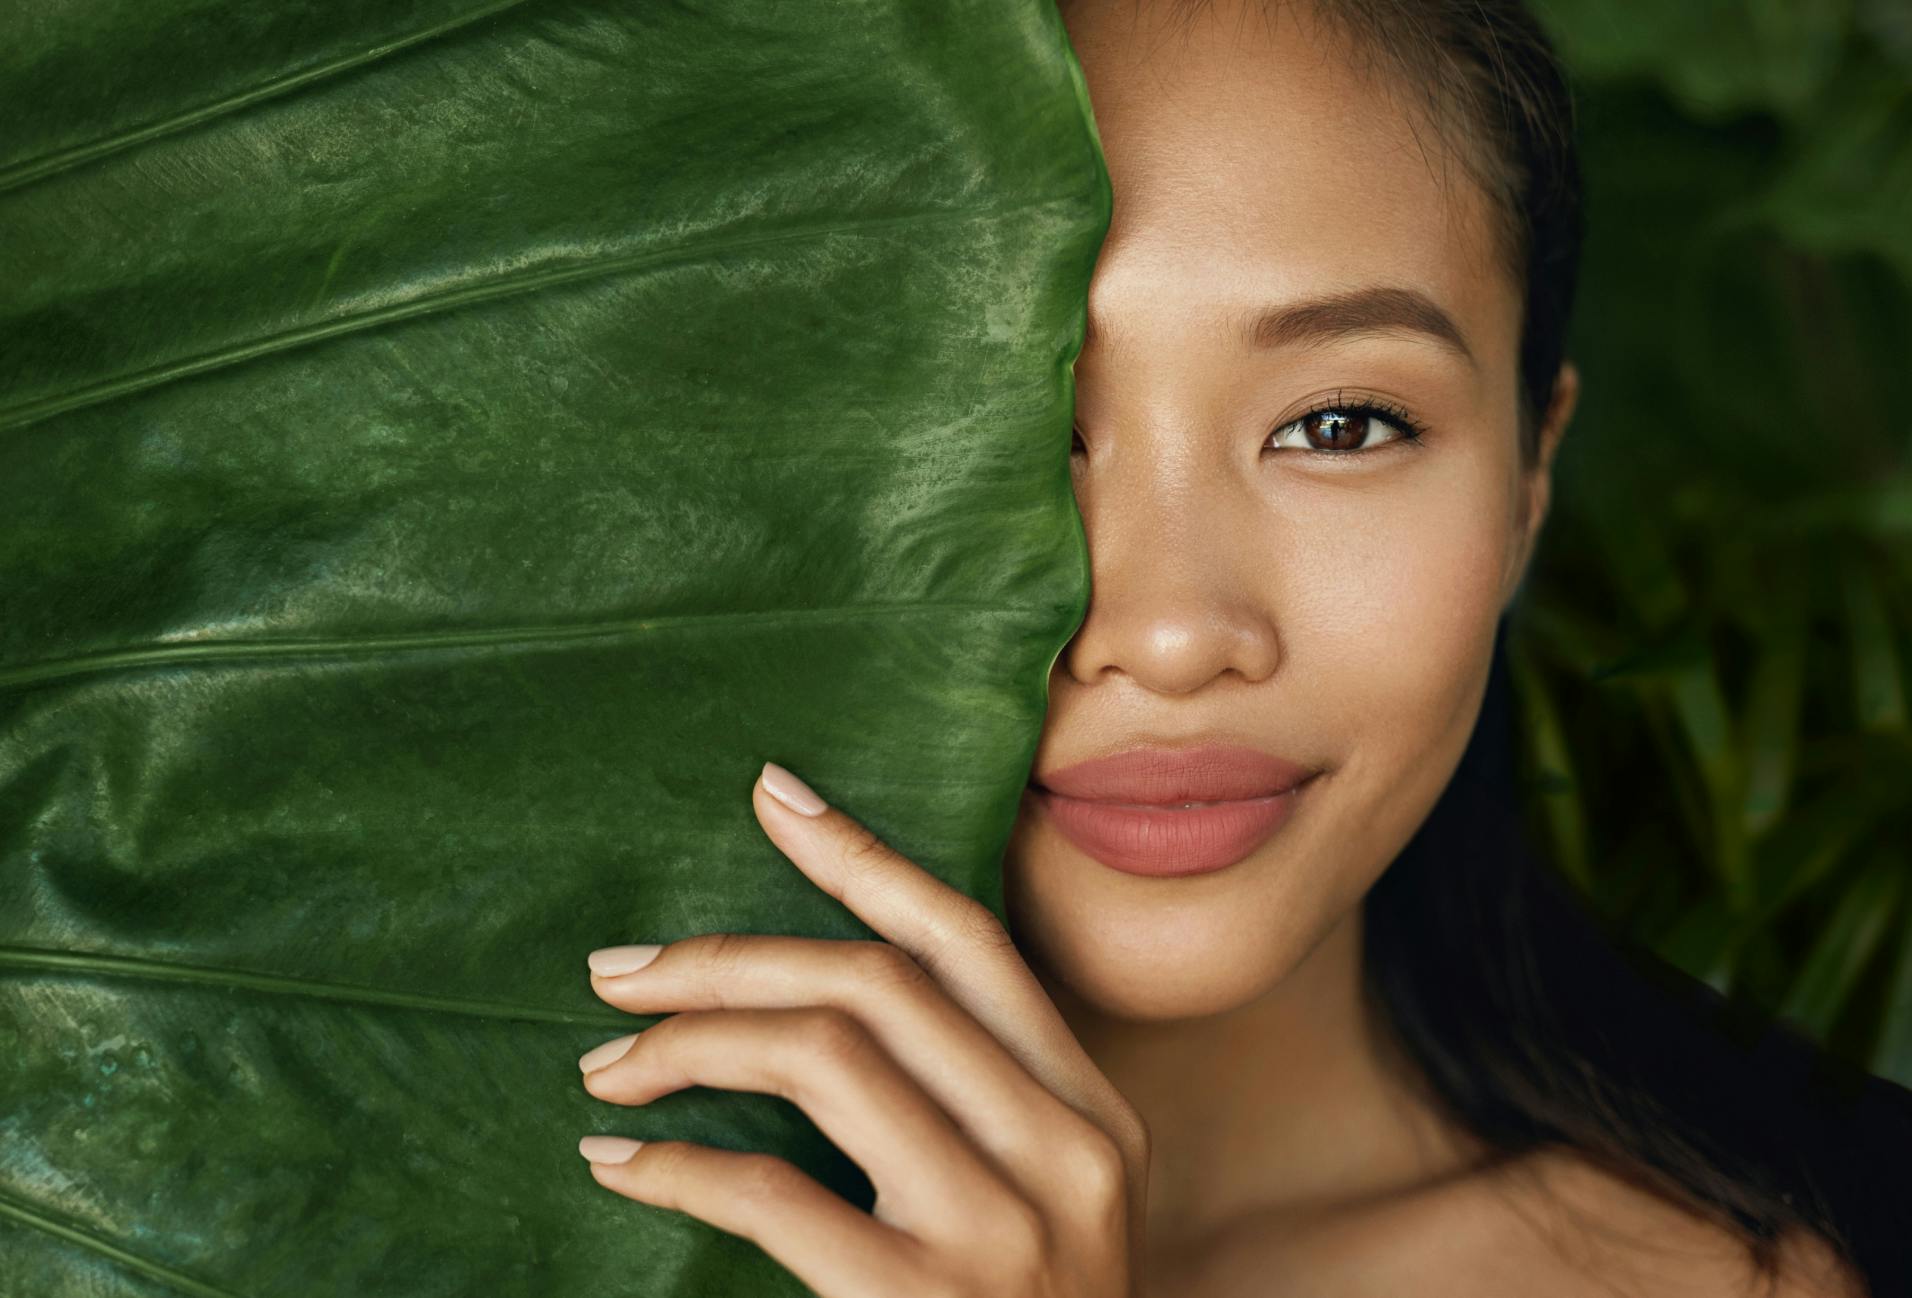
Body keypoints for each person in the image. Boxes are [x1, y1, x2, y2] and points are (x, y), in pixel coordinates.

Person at [572, 1, 1911, 1294]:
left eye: (1339, 425)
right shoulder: (445, 1200)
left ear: (1528, 480)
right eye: (1010, 431)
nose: (1168, 635)